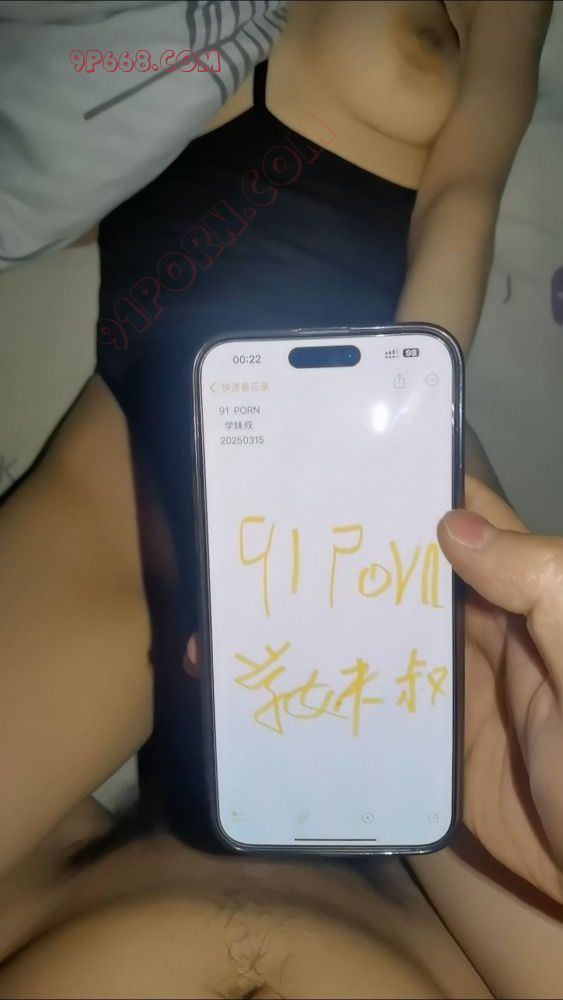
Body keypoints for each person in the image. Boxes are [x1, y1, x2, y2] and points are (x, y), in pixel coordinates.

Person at [1, 1, 559, 996]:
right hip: (146, 440)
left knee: (454, 695)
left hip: (375, 427)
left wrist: (385, 444)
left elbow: (463, 199)